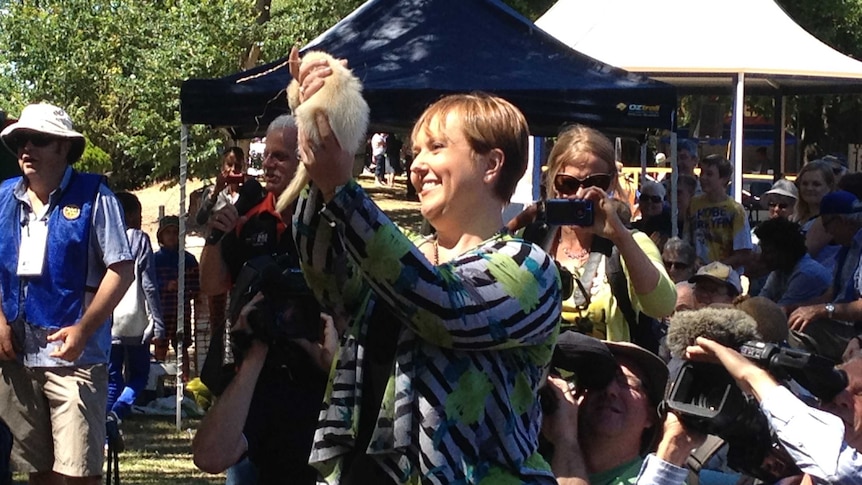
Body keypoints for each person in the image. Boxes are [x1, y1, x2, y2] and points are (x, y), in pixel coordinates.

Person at [291, 78, 562, 481]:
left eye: (436, 148)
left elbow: (441, 304)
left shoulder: (529, 267)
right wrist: (320, 124)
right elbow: (329, 281)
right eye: (415, 151)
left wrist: (343, 191)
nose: (416, 165)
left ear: (492, 165)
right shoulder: (404, 254)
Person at [0, 102, 134, 484]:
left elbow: (121, 269)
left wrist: (83, 329)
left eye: (39, 140)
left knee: (77, 476)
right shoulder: (3, 197)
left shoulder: (96, 196)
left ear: (63, 147)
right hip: (18, 361)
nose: (27, 148)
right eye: (22, 140)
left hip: (76, 362)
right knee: (37, 473)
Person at [194, 114, 325, 484]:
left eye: (280, 156)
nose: (267, 164)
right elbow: (213, 284)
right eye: (265, 155)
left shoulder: (327, 220)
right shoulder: (248, 219)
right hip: (254, 377)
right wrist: (215, 236)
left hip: (314, 380)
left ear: (306, 160)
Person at [526, 124, 676, 343]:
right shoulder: (531, 238)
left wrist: (619, 236)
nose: (580, 194)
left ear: (612, 182)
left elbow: (662, 306)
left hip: (606, 374)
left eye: (595, 183)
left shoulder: (632, 243)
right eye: (567, 183)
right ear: (553, 182)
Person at [684, 340, 862, 484]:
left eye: (860, 392)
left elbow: (839, 471)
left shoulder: (835, 465)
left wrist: (753, 376)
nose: (840, 400)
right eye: (830, 392)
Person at [541, 335, 704, 485]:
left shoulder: (665, 480)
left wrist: (566, 443)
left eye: (626, 383)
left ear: (651, 416)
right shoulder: (530, 459)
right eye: (599, 379)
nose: (609, 390)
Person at [107, 192, 165, 423]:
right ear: (130, 215)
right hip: (134, 318)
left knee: (112, 378)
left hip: (108, 317)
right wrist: (158, 322)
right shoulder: (139, 239)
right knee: (140, 374)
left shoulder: (105, 237)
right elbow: (148, 283)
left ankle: (105, 427)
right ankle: (117, 412)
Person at [787, 190, 862, 362]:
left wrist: (822, 311)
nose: (827, 231)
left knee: (796, 331)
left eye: (826, 224)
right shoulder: (847, 249)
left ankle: (813, 387)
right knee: (791, 320)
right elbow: (831, 295)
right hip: (844, 325)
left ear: (841, 220)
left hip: (856, 331)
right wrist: (792, 308)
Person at [685, 154, 753, 269]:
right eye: (702, 173)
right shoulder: (694, 204)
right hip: (698, 272)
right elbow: (687, 240)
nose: (703, 178)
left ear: (724, 179)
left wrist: (716, 267)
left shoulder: (735, 210)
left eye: (709, 174)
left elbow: (743, 253)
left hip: (726, 276)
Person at [153, 215, 200, 379]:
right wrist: (166, 286)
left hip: (182, 311)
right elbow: (149, 284)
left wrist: (186, 288)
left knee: (182, 345)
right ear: (161, 237)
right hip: (162, 311)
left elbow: (197, 285)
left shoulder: (189, 260)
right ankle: (157, 379)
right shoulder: (155, 260)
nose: (172, 236)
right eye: (168, 233)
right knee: (160, 345)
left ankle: (184, 380)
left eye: (175, 232)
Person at [755, 218, 830, 314]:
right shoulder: (780, 270)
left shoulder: (805, 274)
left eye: (768, 252)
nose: (761, 258)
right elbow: (761, 301)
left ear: (785, 251)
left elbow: (778, 315)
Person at [793, 160, 836, 266]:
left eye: (816, 184)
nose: (809, 188)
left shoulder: (828, 219)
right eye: (805, 183)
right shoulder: (797, 217)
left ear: (829, 186)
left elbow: (803, 253)